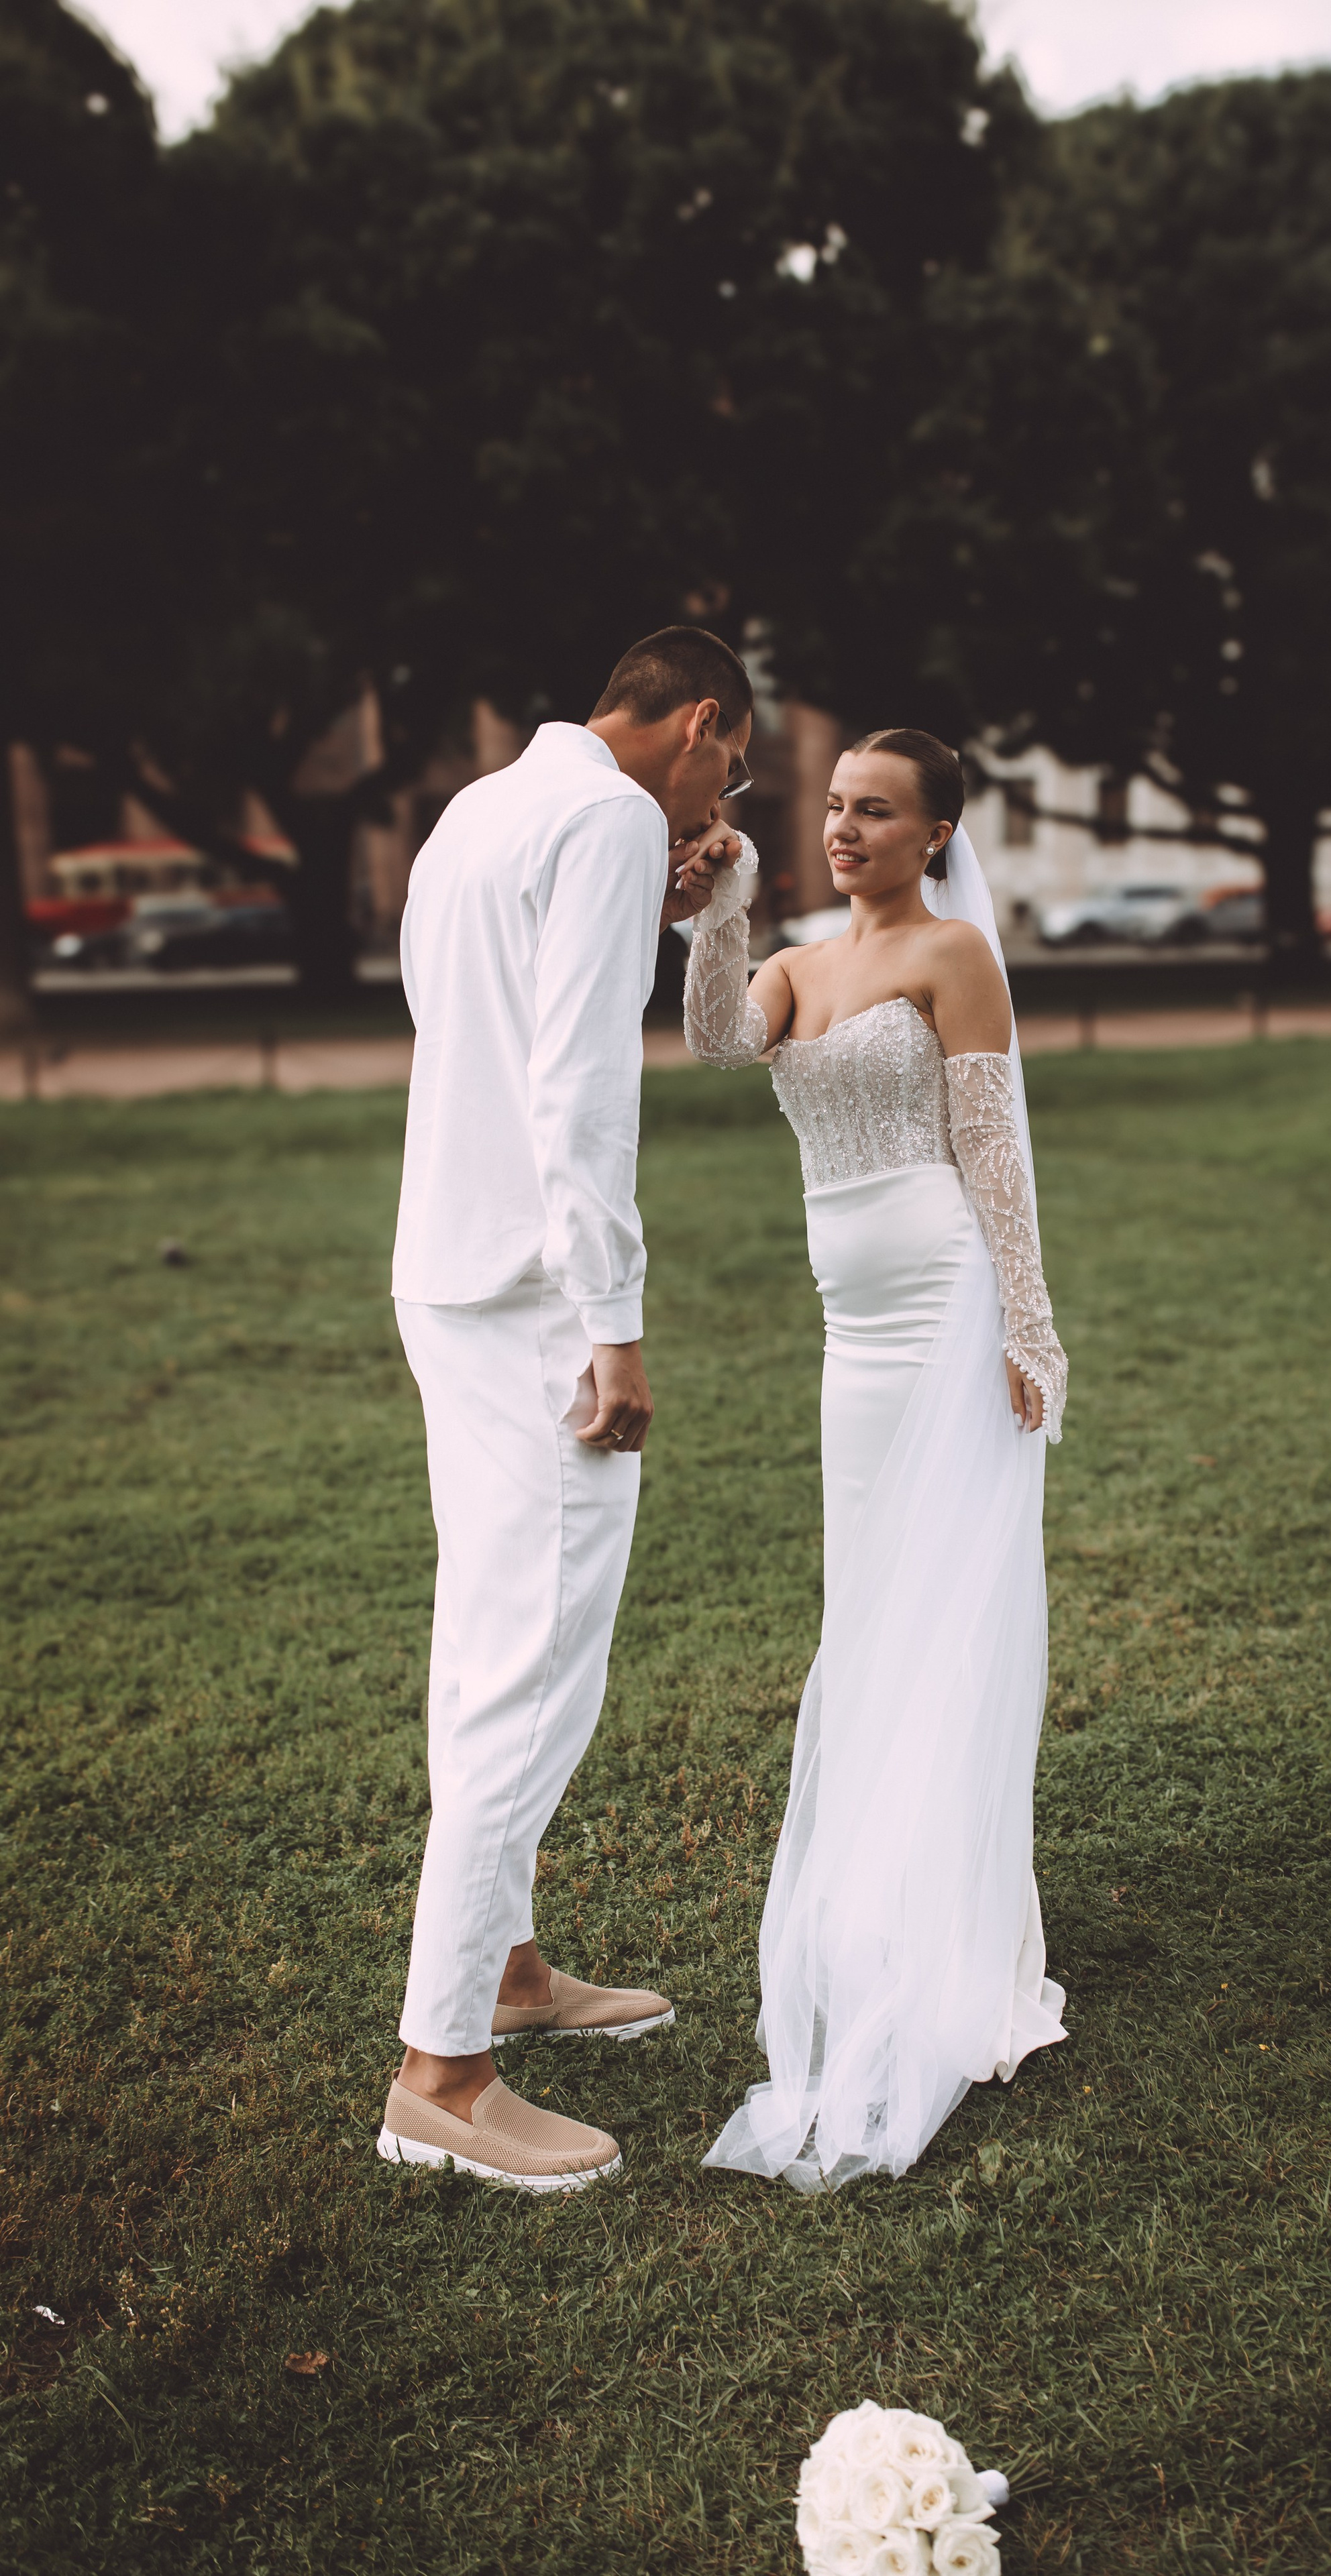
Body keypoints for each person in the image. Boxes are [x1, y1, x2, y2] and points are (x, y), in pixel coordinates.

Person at [378, 626, 749, 2192]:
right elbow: (581, 1089)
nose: (721, 801)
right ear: (700, 723)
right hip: (539, 1297)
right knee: (530, 1666)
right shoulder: (603, 818)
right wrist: (617, 1328)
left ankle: (510, 1971)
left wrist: (663, 905)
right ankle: (441, 2075)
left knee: (486, 1635)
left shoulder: (480, 808)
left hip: (444, 1265)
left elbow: (459, 1013)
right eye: (731, 769)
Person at [684, 728, 1069, 2191]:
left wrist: (1027, 1325)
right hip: (851, 1332)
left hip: (947, 1300)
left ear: (934, 833)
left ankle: (958, 1932)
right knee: (867, 1608)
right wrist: (721, 910)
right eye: (835, 806)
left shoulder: (954, 955)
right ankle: (877, 1909)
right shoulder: (793, 965)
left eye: (876, 811)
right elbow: (715, 1041)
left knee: (946, 1609)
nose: (843, 828)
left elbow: (993, 1146)